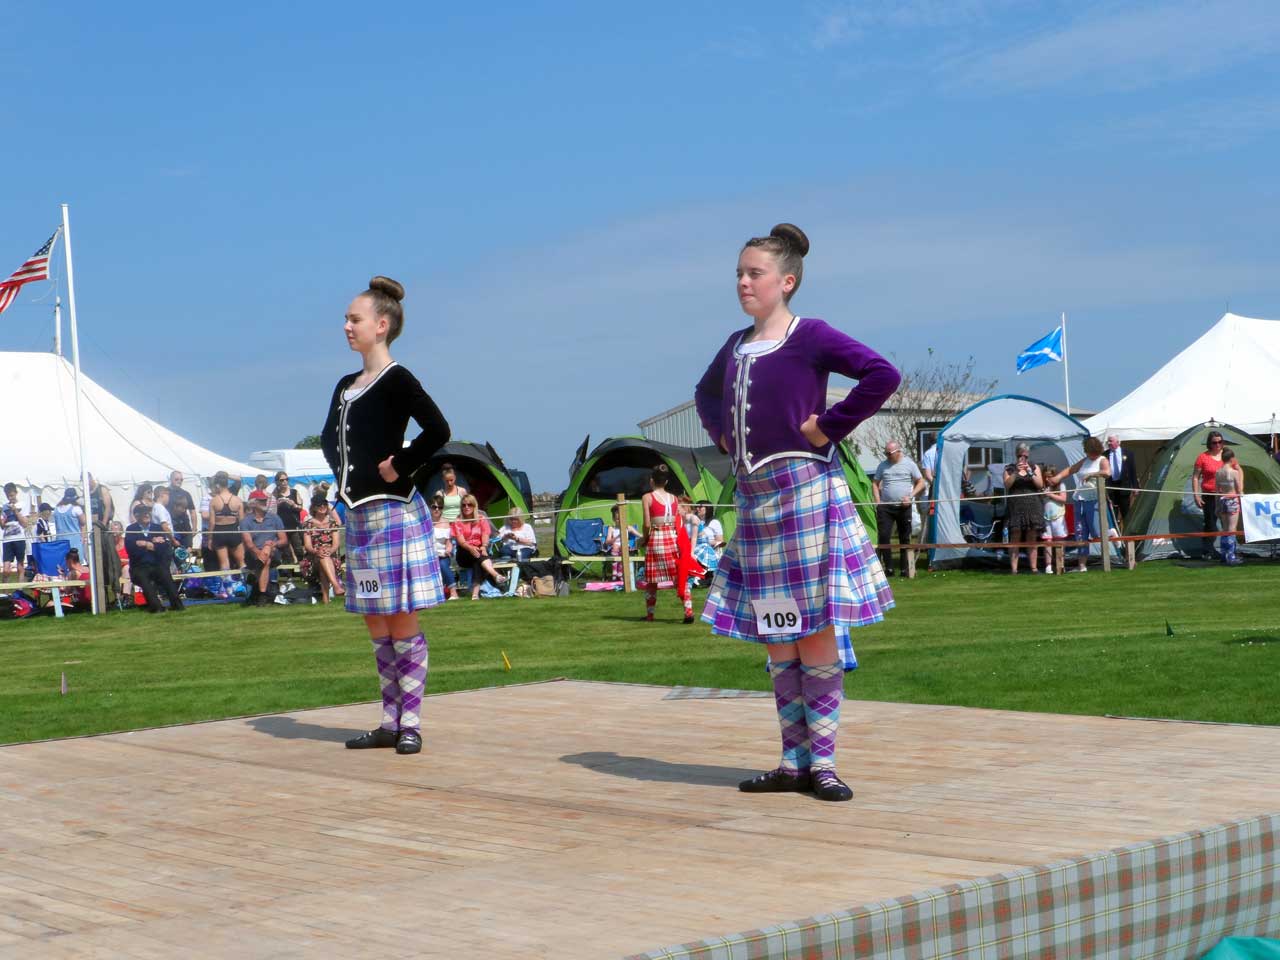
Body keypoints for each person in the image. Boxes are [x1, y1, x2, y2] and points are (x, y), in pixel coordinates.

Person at [694, 222, 900, 802]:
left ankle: (825, 764)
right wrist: (727, 440)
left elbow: (882, 374)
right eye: (739, 273)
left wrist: (827, 425)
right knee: (779, 634)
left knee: (816, 634)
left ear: (786, 281)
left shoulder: (810, 336)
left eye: (754, 273)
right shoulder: (735, 345)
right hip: (757, 506)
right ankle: (793, 763)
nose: (742, 282)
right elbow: (708, 394)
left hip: (806, 494)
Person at [320, 275, 450, 756]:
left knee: (401, 621)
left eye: (354, 319)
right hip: (360, 520)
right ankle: (388, 722)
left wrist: (402, 464)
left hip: (395, 515)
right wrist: (343, 493)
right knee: (377, 622)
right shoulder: (344, 386)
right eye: (347, 319)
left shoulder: (398, 379)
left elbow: (438, 429)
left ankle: (411, 723)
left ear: (381, 324)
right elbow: (334, 443)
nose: (346, 326)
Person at [639, 464, 697, 623]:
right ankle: (688, 611)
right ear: (666, 482)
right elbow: (678, 521)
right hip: (672, 538)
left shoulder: (647, 497)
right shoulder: (674, 498)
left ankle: (650, 615)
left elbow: (646, 523)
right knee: (679, 577)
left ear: (652, 481)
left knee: (652, 580)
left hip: (656, 538)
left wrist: (644, 539)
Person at [1057, 436, 1111, 573]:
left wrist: (1092, 474)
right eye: (1089, 453)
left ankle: (1111, 533)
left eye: (1093, 453)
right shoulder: (1084, 461)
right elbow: (1070, 470)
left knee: (1096, 532)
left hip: (1094, 500)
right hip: (1079, 499)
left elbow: (1107, 473)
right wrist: (1056, 478)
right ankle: (1082, 566)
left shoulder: (1102, 460)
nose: (1091, 455)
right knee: (1081, 533)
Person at [873, 441, 924, 577]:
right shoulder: (883, 466)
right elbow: (875, 483)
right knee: (884, 536)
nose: (887, 456)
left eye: (889, 453)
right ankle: (888, 568)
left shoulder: (910, 464)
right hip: (886, 507)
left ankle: (904, 569)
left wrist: (911, 496)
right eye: (886, 453)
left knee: (904, 537)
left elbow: (921, 482)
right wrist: (878, 502)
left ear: (898, 451)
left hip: (904, 507)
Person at [125, 503, 184, 612]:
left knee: (166, 576)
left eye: (148, 512)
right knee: (144, 580)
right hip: (139, 566)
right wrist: (153, 544)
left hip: (157, 564)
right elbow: (132, 550)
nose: (147, 514)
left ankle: (177, 606)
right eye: (143, 512)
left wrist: (146, 544)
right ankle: (157, 608)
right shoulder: (131, 529)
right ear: (137, 515)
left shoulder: (157, 528)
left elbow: (164, 549)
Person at [451, 495, 507, 599]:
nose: (466, 507)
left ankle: (475, 594)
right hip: (463, 552)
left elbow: (485, 534)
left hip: (479, 550)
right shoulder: (458, 521)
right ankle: (495, 575)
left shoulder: (481, 518)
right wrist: (470, 548)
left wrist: (484, 546)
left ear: (474, 506)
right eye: (464, 505)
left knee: (478, 560)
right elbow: (461, 541)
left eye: (470, 504)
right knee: (478, 556)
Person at [1002, 444, 1045, 574]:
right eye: (1020, 455)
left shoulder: (1034, 467)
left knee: (1032, 536)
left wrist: (1030, 472)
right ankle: (1014, 569)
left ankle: (1034, 568)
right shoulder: (1009, 468)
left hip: (1033, 506)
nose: (1022, 458)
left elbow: (1040, 485)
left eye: (1025, 455)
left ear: (1028, 455)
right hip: (1015, 507)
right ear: (1016, 455)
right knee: (1015, 536)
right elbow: (1007, 485)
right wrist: (1015, 473)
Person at [241, 490, 287, 605]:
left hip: (274, 551)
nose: (265, 502)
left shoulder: (274, 518)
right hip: (253, 554)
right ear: (253, 504)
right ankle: (262, 594)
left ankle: (260, 591)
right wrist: (260, 553)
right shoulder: (245, 521)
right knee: (266, 560)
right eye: (261, 501)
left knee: (267, 549)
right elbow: (248, 544)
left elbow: (284, 540)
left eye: (265, 500)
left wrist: (272, 544)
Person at [302, 495, 345, 602]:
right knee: (322, 557)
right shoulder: (308, 524)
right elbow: (307, 546)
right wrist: (316, 551)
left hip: (331, 556)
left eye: (324, 504)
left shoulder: (332, 523)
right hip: (313, 558)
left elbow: (335, 544)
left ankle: (326, 598)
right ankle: (336, 585)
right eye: (319, 505)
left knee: (324, 560)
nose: (322, 507)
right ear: (314, 508)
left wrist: (329, 550)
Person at [1193, 430, 1226, 558]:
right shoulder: (1203, 457)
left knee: (1228, 525)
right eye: (1214, 442)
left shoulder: (1227, 456)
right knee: (1210, 524)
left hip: (1226, 496)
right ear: (1209, 443)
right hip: (1209, 495)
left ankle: (1228, 550)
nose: (1218, 445)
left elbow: (1238, 471)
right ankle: (1207, 551)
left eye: (1220, 442)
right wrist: (1196, 495)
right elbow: (1195, 477)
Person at [205, 471, 244, 573]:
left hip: (219, 532)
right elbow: (242, 521)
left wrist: (209, 539)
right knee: (242, 563)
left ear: (217, 485)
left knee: (224, 565)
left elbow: (212, 522)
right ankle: (245, 586)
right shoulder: (237, 500)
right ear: (227, 483)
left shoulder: (213, 501)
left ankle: (228, 588)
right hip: (233, 531)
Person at [1215, 448, 1245, 566]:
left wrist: (1217, 506)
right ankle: (1231, 556)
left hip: (1222, 500)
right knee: (1232, 529)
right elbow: (1239, 489)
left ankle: (1224, 554)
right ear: (1232, 459)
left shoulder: (1218, 472)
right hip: (1232, 500)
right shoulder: (1234, 472)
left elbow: (1217, 491)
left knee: (1225, 529)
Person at [1039, 463, 1068, 574]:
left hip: (1058, 517)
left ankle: (1061, 564)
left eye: (1049, 476)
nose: (1047, 479)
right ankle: (1048, 566)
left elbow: (1063, 499)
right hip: (1046, 517)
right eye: (1045, 476)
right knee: (1047, 541)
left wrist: (1050, 494)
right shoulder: (1044, 487)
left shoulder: (1061, 485)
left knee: (1059, 541)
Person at [428, 497, 458, 600]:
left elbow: (448, 542)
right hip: (429, 554)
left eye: (440, 507)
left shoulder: (446, 523)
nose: (437, 509)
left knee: (442, 564)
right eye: (434, 507)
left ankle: (453, 592)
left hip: (443, 554)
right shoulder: (425, 522)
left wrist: (448, 549)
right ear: (429, 508)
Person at [603, 504, 641, 581]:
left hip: (625, 547)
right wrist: (617, 537)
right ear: (613, 519)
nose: (619, 520)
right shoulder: (612, 528)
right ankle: (615, 572)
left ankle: (619, 572)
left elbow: (639, 535)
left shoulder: (628, 527)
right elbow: (607, 542)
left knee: (623, 546)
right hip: (615, 547)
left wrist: (648, 535)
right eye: (617, 519)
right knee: (615, 546)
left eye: (620, 519)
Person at [1104, 435, 1136, 528]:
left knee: (1126, 512)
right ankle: (1115, 535)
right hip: (1110, 487)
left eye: (1111, 441)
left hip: (1124, 487)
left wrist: (1135, 487)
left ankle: (1127, 534)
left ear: (1118, 442)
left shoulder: (1128, 453)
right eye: (1108, 441)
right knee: (1112, 513)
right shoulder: (1104, 455)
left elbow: (1132, 471)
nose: (1109, 443)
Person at [272, 471, 304, 563]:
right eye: (282, 480)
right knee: (286, 552)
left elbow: (301, 508)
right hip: (281, 526)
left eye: (286, 479)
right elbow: (271, 510)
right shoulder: (275, 494)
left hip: (294, 525)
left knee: (298, 549)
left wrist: (294, 505)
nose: (285, 482)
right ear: (277, 481)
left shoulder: (294, 492)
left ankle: (302, 571)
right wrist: (277, 504)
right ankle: (290, 574)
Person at [2, 483, 27, 580]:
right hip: (7, 539)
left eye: (12, 495)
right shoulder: (4, 507)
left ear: (16, 493)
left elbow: (24, 523)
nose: (10, 497)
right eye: (8, 496)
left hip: (19, 538)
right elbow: (3, 526)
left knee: (20, 566)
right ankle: (5, 593)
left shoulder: (22, 505)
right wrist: (2, 522)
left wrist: (16, 511)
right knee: (6, 569)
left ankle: (19, 590)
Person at [53, 488, 87, 559]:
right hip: (74, 540)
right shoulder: (76, 509)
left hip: (60, 540)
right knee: (76, 562)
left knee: (62, 561)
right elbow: (83, 522)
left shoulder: (56, 509)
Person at [166, 471, 197, 549]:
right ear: (171, 479)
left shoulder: (186, 494)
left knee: (186, 552)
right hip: (171, 528)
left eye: (181, 479)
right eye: (176, 479)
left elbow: (192, 511)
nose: (179, 481)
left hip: (185, 528)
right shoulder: (165, 493)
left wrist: (194, 528)